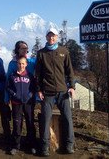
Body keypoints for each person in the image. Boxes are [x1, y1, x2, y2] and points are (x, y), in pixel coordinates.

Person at [35, 28, 75, 156]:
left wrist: (72, 86)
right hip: (47, 92)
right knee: (45, 120)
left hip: (63, 92)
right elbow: (38, 74)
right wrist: (39, 90)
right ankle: (45, 147)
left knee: (68, 118)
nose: (51, 38)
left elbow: (70, 71)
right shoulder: (41, 53)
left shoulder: (64, 51)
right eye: (49, 36)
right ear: (46, 37)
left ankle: (69, 145)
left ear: (57, 37)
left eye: (53, 36)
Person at [6, 56, 36, 155]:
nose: (21, 65)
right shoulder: (12, 76)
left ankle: (31, 145)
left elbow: (33, 88)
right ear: (16, 64)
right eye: (19, 63)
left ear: (26, 64)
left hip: (28, 103)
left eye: (23, 63)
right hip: (16, 103)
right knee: (17, 124)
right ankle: (16, 145)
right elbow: (8, 88)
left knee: (30, 123)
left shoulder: (30, 76)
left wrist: (29, 96)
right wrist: (14, 95)